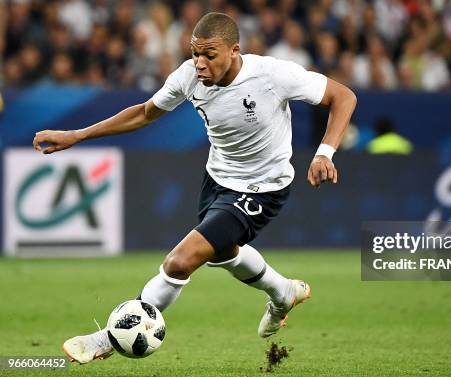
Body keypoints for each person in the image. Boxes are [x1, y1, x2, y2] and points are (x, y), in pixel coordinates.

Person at [32, 12, 357, 364]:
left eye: (210, 55)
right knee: (221, 251)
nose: (200, 64)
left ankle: (108, 338)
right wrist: (78, 134)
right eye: (194, 54)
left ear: (234, 51)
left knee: (180, 261)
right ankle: (283, 293)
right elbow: (144, 113)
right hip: (217, 181)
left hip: (264, 187)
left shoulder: (273, 75)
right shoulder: (189, 77)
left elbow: (344, 97)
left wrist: (325, 152)